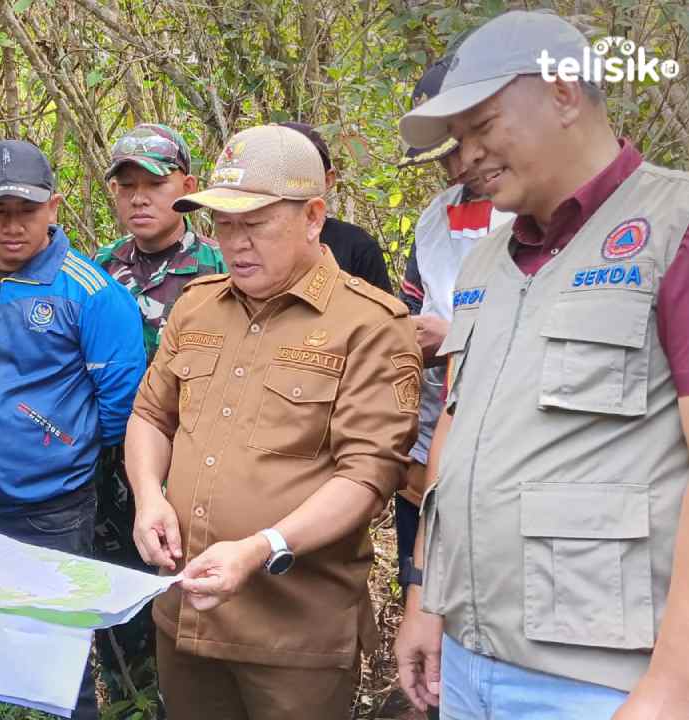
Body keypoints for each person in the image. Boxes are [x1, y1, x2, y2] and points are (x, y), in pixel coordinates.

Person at [395, 11, 689, 720]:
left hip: (604, 682)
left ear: (562, 91)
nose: (465, 157)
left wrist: (681, 687)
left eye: (481, 125)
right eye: (457, 141)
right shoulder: (486, 263)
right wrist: (424, 599)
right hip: (468, 657)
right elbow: (458, 432)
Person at [127, 124, 422, 720]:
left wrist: (264, 547)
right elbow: (151, 415)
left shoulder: (368, 325)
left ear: (313, 216)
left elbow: (367, 478)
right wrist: (147, 498)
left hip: (293, 638)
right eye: (223, 224)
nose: (235, 244)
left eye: (254, 224)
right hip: (185, 612)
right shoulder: (198, 305)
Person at [0, 139, 146, 720]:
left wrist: (60, 446)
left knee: (61, 655)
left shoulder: (90, 292)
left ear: (54, 207)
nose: (11, 228)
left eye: (26, 212)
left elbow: (120, 405)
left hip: (53, 503)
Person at [92, 123, 225, 714]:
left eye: (155, 182)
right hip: (113, 474)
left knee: (197, 609)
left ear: (188, 187)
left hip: (199, 467)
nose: (139, 197)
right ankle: (131, 698)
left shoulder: (220, 266)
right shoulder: (94, 271)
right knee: (120, 609)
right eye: (126, 185)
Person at [391, 58, 514, 600]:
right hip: (430, 426)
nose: (457, 168)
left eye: (467, 144)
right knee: (422, 575)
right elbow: (411, 301)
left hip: (506, 439)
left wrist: (458, 335)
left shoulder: (543, 213)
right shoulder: (436, 219)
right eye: (444, 157)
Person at [278, 121, 393, 293]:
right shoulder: (244, 245)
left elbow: (382, 316)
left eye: (300, 172)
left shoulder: (358, 247)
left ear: (327, 180)